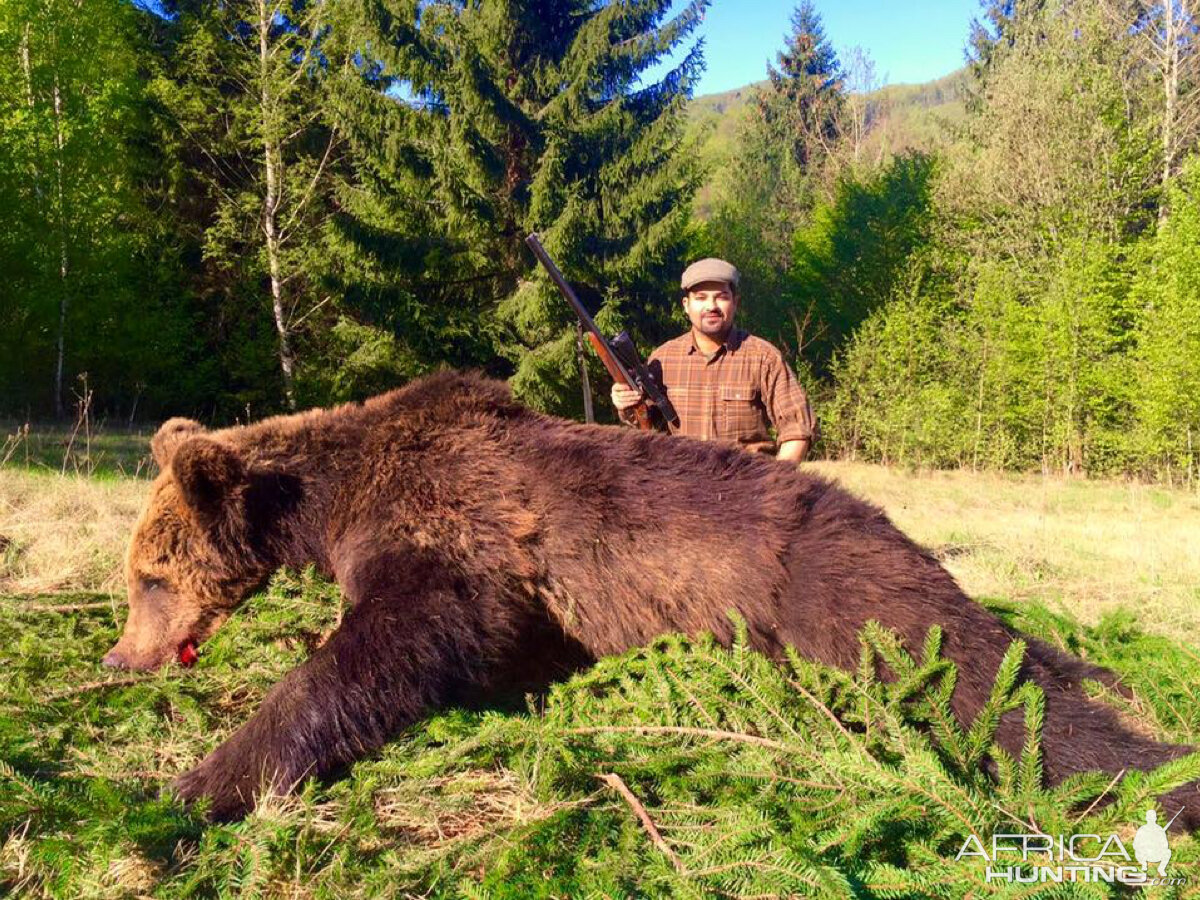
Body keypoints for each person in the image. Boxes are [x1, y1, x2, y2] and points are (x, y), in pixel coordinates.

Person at [611, 258, 815, 461]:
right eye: (701, 298)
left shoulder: (764, 359)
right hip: (679, 485)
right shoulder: (662, 359)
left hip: (746, 486)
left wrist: (774, 485)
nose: (711, 306)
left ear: (736, 302)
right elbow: (647, 425)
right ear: (686, 305)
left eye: (721, 297)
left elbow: (797, 430)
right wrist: (626, 402)